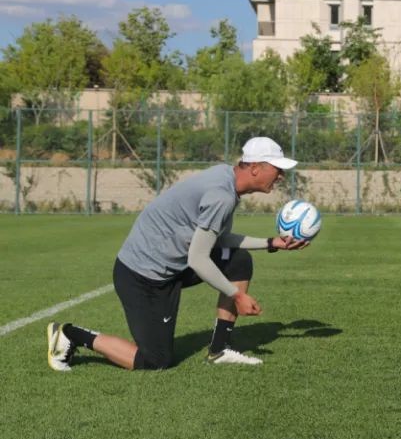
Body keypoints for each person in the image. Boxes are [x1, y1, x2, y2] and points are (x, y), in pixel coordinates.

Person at [46, 137, 308, 371]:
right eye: (278, 169)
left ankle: (220, 349)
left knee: (238, 260)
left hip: (172, 266)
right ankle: (70, 334)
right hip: (142, 277)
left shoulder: (224, 176)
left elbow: (217, 240)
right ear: (255, 168)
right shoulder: (222, 196)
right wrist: (236, 295)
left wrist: (271, 242)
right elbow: (198, 258)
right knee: (155, 360)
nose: (281, 176)